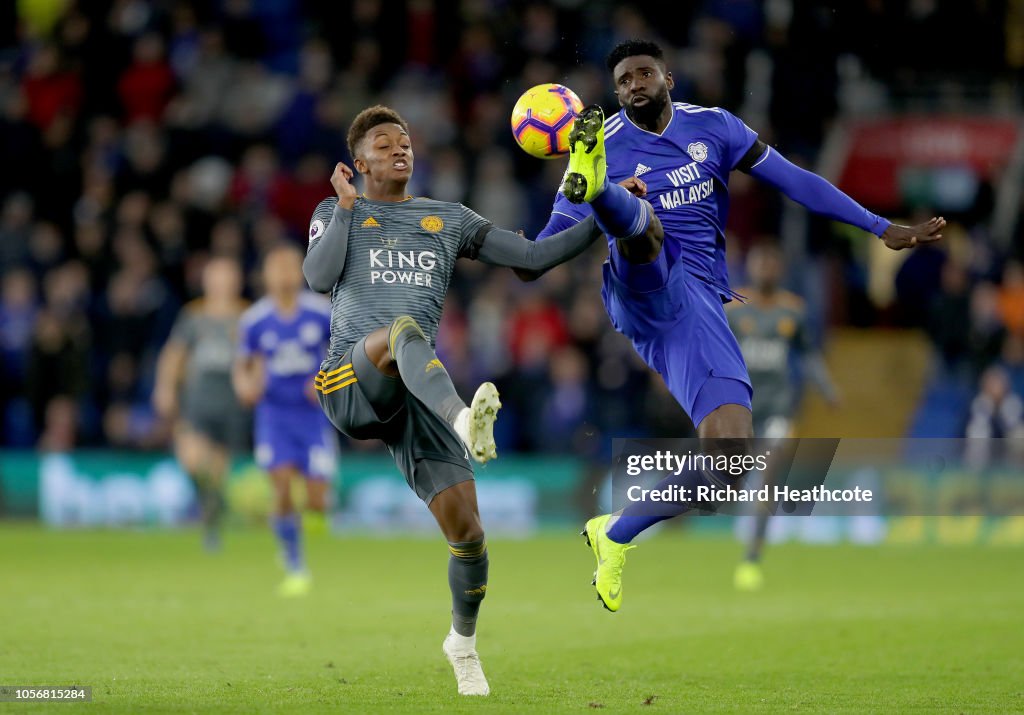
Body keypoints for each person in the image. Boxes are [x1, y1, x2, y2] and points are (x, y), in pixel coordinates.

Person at [531, 39, 944, 612]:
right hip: (640, 285)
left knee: (730, 459)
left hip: (700, 303)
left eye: (643, 73)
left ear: (668, 77)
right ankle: (602, 191)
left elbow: (797, 181)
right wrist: (515, 241)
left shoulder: (716, 128)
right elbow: (546, 249)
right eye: (623, 80)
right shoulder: (603, 143)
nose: (633, 85)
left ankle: (614, 533)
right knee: (644, 228)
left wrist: (879, 226)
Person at [303, 105, 607, 696]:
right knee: (402, 332)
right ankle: (467, 419)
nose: (400, 149)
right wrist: (342, 206)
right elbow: (317, 277)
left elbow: (534, 260)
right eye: (385, 143)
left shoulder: (448, 218)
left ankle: (462, 645)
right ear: (359, 162)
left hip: (415, 395)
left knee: (469, 535)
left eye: (406, 141)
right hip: (348, 381)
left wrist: (605, 215)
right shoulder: (336, 211)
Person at [727, 240, 840, 591]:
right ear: (751, 267)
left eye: (771, 264)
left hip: (778, 407)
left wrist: (826, 387)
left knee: (769, 478)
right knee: (728, 475)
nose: (765, 270)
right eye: (760, 263)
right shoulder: (732, 309)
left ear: (779, 271)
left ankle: (752, 555)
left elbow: (808, 354)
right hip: (741, 407)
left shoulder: (793, 310)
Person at [233, 243, 337, 597]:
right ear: (266, 276)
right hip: (274, 414)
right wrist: (246, 386)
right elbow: (242, 365)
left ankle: (315, 514)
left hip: (311, 416)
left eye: (290, 268)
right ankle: (294, 564)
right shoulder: (255, 320)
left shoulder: (320, 313)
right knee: (279, 486)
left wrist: (323, 378)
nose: (284, 276)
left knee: (316, 498)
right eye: (276, 269)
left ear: (301, 273)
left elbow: (342, 353)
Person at [153, 256, 249, 551]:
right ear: (207, 281)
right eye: (216, 277)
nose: (222, 283)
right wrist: (165, 387)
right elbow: (174, 353)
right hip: (198, 396)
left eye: (227, 277)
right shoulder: (193, 315)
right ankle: (213, 509)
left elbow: (260, 357)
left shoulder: (247, 315)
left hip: (231, 399)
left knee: (218, 468)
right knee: (191, 459)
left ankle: (211, 527)